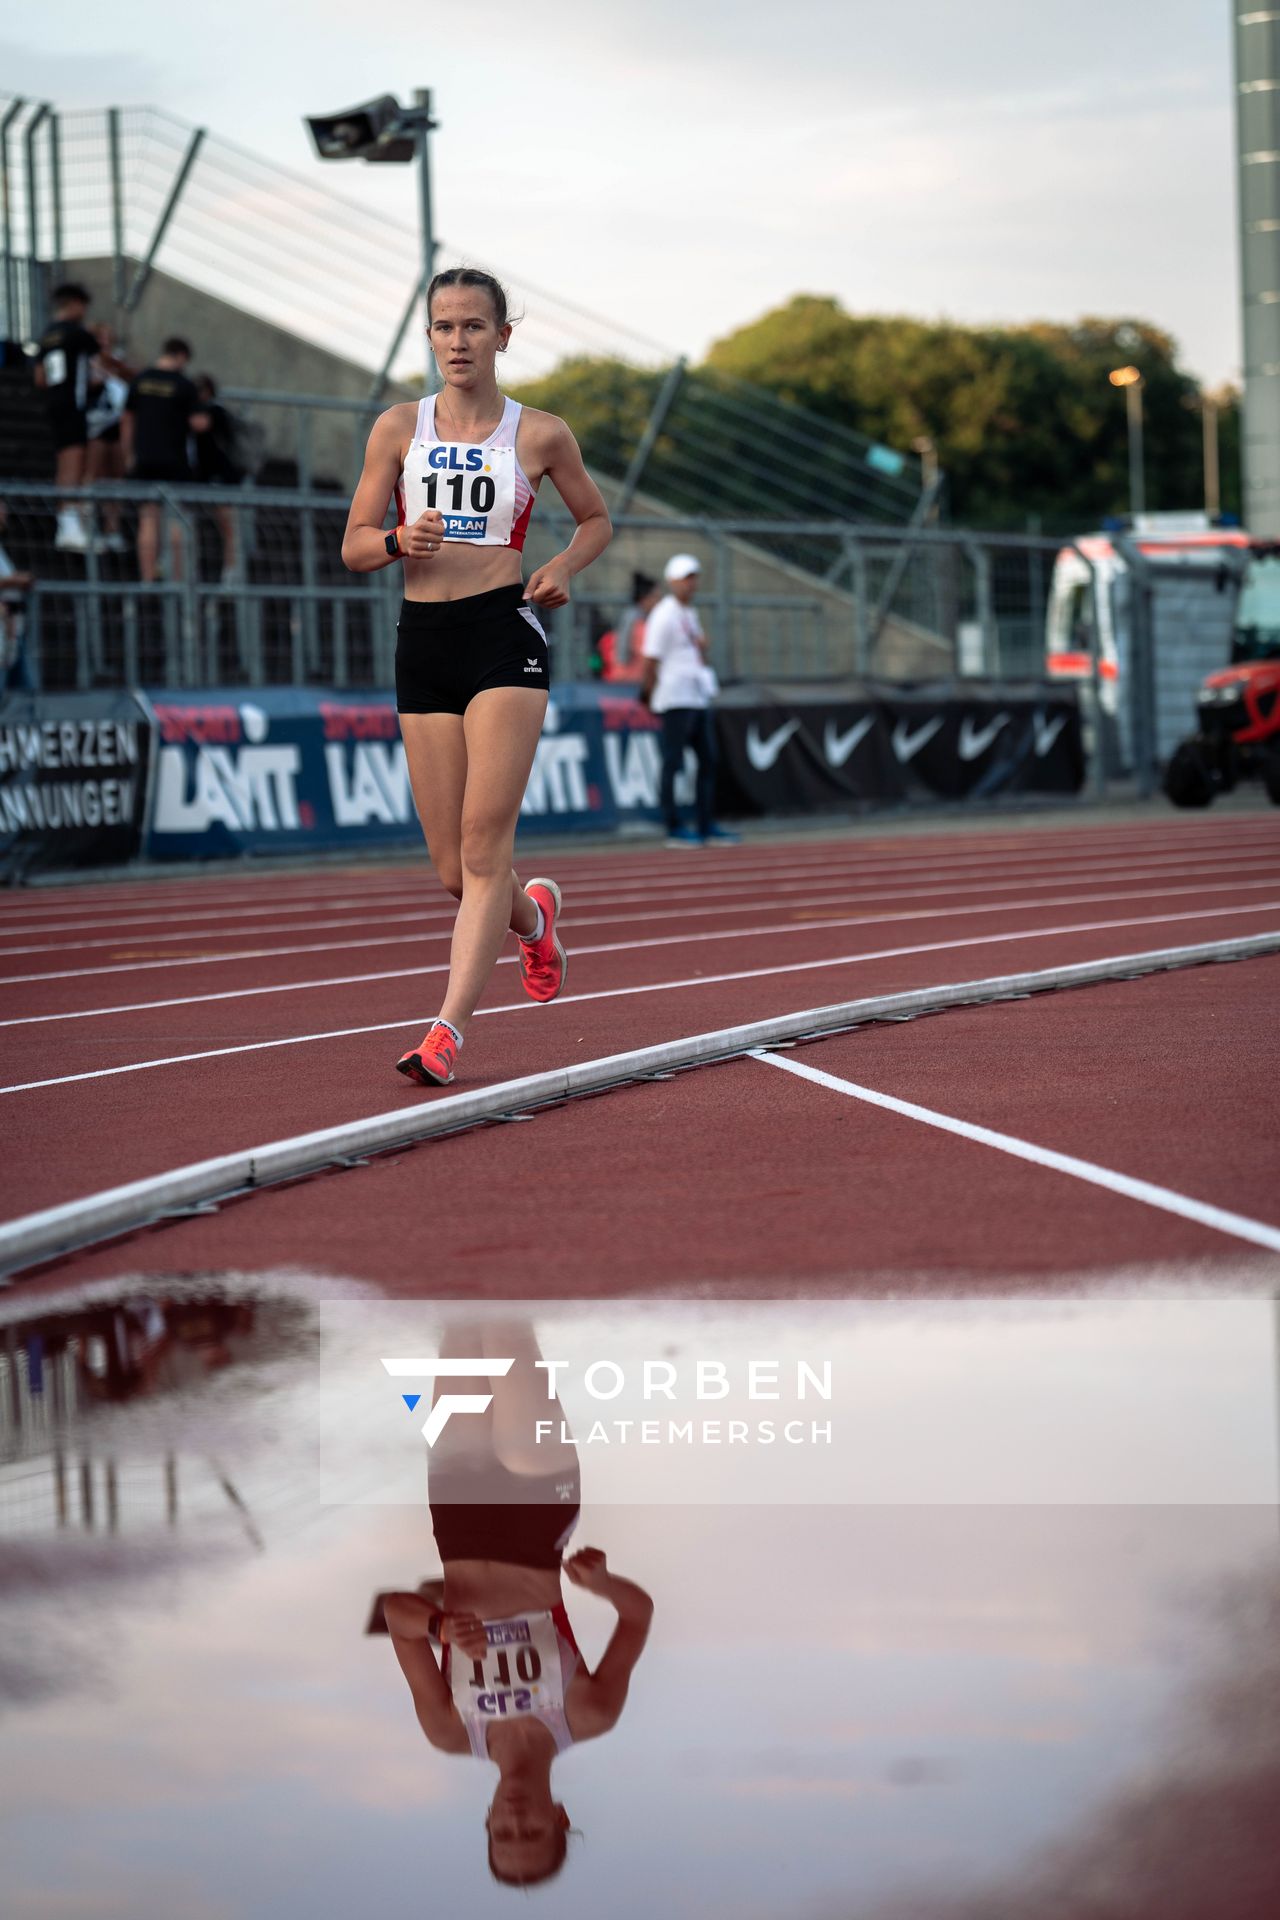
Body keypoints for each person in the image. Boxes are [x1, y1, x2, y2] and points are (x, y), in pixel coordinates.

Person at [341, 266, 612, 1088]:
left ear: (503, 335)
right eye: (444, 327)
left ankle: (446, 1032)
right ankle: (535, 921)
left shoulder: (540, 434)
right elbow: (353, 544)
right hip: (423, 638)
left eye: (473, 326)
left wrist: (563, 562)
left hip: (503, 635)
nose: (457, 340)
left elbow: (597, 517)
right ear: (429, 337)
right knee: (456, 873)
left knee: (485, 845)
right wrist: (396, 541)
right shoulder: (397, 428)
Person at [374, 1321, 654, 1889]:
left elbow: (395, 1619)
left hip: (457, 1518)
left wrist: (438, 1627)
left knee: (459, 1330)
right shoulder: (590, 1715)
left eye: (503, 1834)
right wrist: (603, 1584)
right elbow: (638, 1616)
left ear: (488, 1821)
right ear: (560, 1817)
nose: (516, 1821)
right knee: (503, 1331)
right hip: (537, 1519)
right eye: (532, 1832)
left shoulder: (450, 1731)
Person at [641, 553, 739, 847]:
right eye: (685, 578)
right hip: (675, 697)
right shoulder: (664, 613)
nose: (691, 583)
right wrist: (648, 694)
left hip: (696, 695)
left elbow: (695, 650)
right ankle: (673, 827)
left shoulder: (688, 613)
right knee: (673, 761)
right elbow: (650, 659)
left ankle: (706, 823)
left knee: (708, 760)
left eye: (693, 577)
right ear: (672, 581)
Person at [122, 338, 209, 582]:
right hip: (174, 458)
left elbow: (127, 419)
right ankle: (177, 579)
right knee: (176, 520)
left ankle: (148, 578)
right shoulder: (184, 384)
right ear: (181, 356)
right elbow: (198, 423)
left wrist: (128, 453)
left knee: (148, 519)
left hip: (144, 456)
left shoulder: (141, 379)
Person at [33, 284, 99, 552]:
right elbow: (98, 368)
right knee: (74, 462)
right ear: (74, 304)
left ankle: (66, 522)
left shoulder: (47, 334)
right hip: (73, 403)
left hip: (54, 402)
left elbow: (39, 378)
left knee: (64, 463)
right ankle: (70, 523)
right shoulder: (78, 334)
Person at [191, 374, 245, 581]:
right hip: (206, 477)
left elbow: (201, 425)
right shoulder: (212, 410)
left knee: (228, 526)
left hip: (220, 477)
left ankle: (231, 572)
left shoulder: (215, 411)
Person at [600, 570, 661, 683]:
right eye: (655, 597)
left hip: (626, 678)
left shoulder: (633, 616)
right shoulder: (638, 621)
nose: (658, 602)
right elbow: (648, 653)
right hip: (630, 681)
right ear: (644, 598)